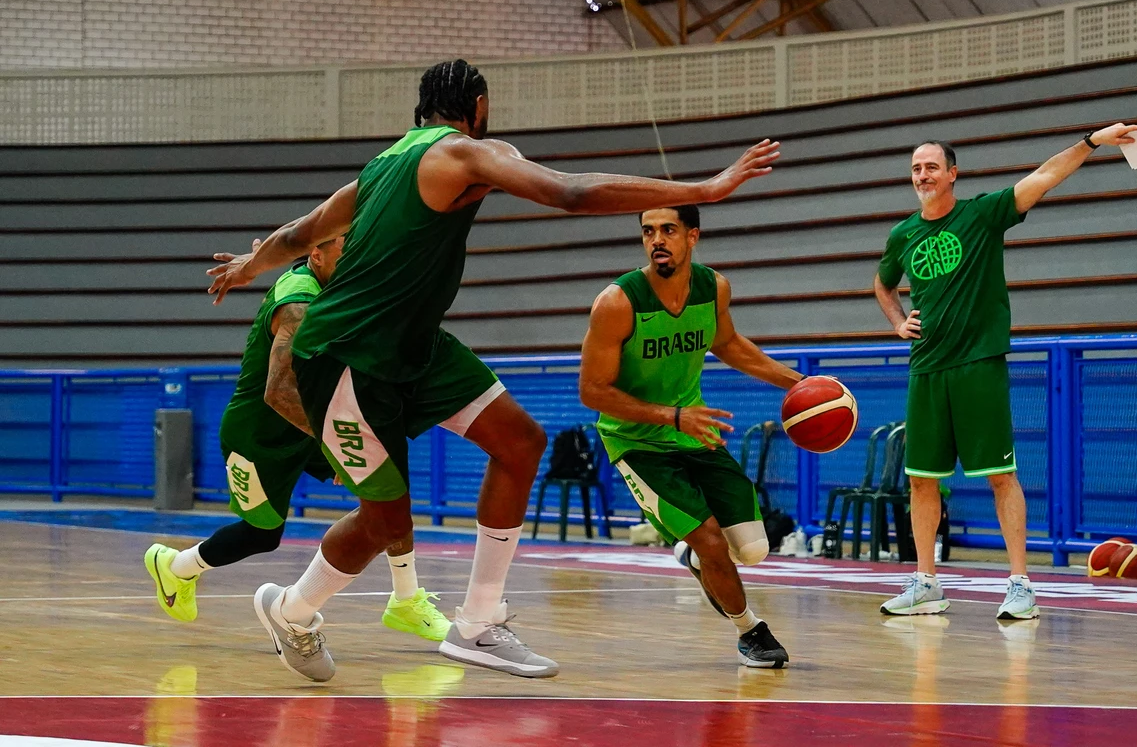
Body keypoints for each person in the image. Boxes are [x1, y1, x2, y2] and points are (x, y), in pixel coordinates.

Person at [205, 59, 781, 681]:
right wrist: (705, 189)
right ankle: (292, 610)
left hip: (414, 346)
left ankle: (479, 622)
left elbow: (301, 233)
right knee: (385, 521)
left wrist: (249, 263)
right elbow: (571, 192)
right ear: (477, 105)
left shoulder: (382, 167)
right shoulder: (461, 153)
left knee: (520, 441)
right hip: (347, 354)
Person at [873, 124, 1137, 619]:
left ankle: (1020, 584)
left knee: (1000, 474)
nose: (922, 175)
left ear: (952, 174)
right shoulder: (903, 234)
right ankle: (926, 581)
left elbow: (1043, 176)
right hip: (927, 368)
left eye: (932, 166)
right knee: (921, 480)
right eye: (916, 168)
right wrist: (897, 320)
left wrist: (1091, 143)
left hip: (978, 364)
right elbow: (882, 283)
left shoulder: (982, 213)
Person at [145, 237, 451, 642]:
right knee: (262, 536)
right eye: (347, 255)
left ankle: (406, 600)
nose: (357, 264)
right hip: (261, 434)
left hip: (312, 421)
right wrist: (337, 448)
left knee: (388, 485)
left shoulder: (335, 281)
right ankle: (176, 567)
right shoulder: (298, 305)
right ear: (317, 256)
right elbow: (279, 393)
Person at [578, 204, 803, 668]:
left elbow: (729, 344)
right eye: (648, 231)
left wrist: (796, 383)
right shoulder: (617, 303)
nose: (656, 239)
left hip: (689, 431)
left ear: (692, 236)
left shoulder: (712, 287)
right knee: (711, 540)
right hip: (636, 442)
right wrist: (671, 415)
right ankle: (750, 633)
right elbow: (591, 391)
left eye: (668, 230)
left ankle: (694, 555)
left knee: (755, 549)